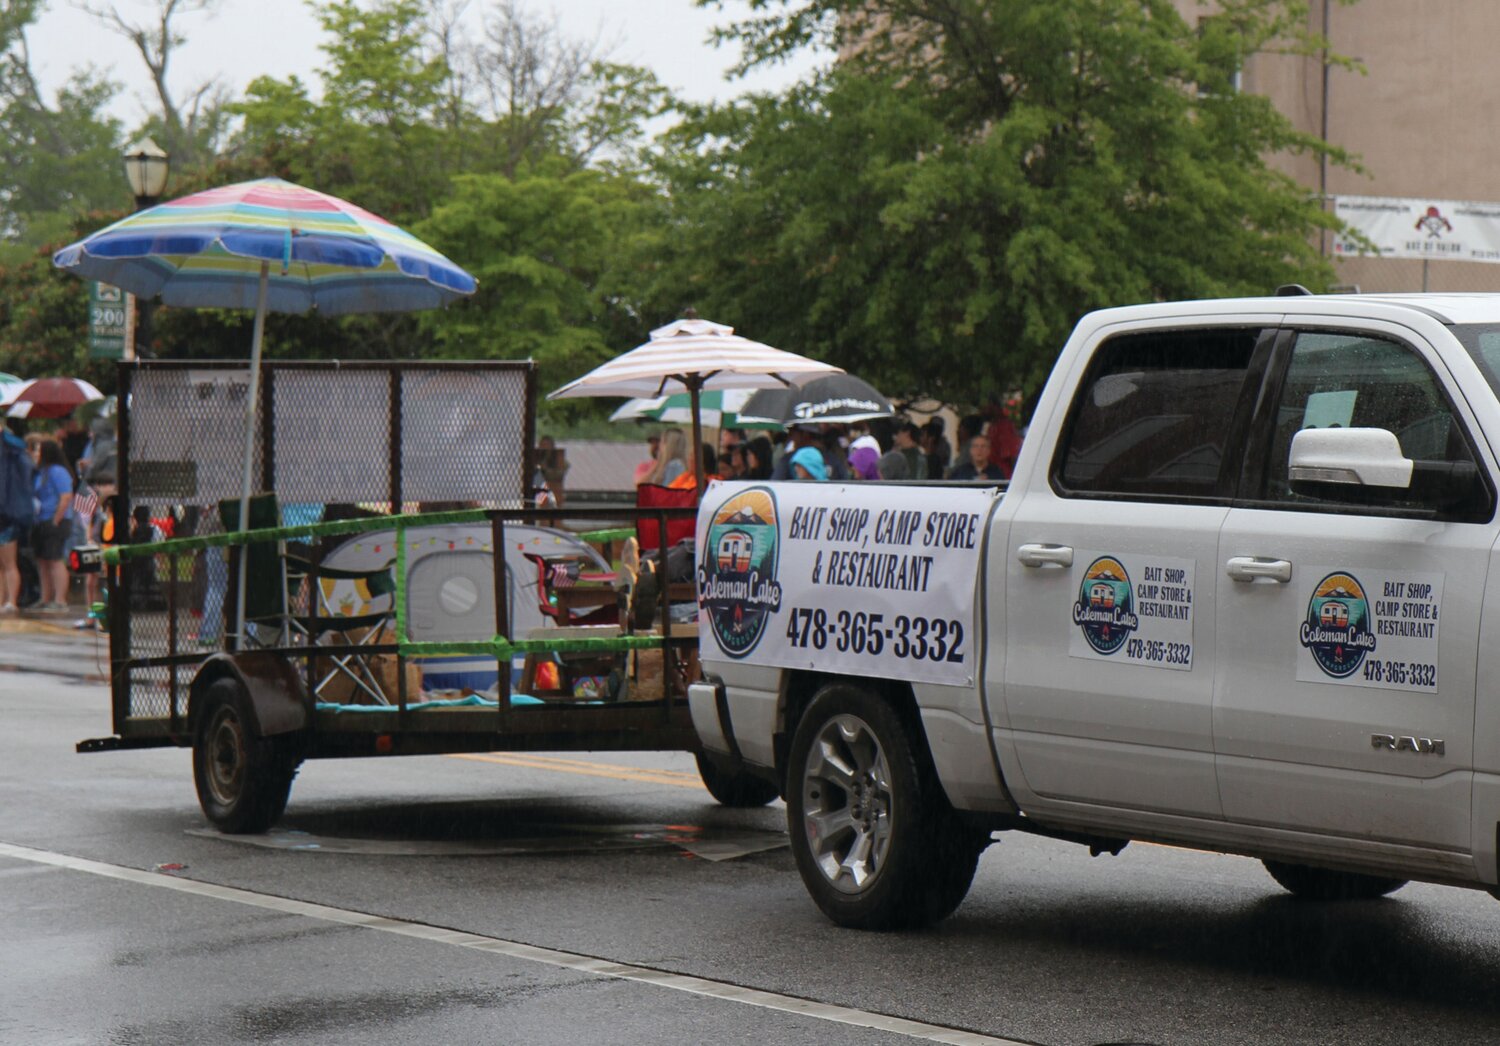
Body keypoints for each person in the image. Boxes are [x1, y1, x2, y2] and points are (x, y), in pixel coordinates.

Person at [30, 436, 75, 611]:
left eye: (38, 450)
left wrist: (56, 519)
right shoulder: (40, 472)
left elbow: (65, 496)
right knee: (43, 560)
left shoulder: (58, 471)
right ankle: (45, 597)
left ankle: (60, 599)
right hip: (41, 519)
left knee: (55, 559)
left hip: (55, 519)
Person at [0, 418, 34, 614]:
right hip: (5, 511)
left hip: (9, 513)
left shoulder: (12, 449)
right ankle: (3, 599)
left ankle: (11, 600)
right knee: (2, 564)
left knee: (9, 562)